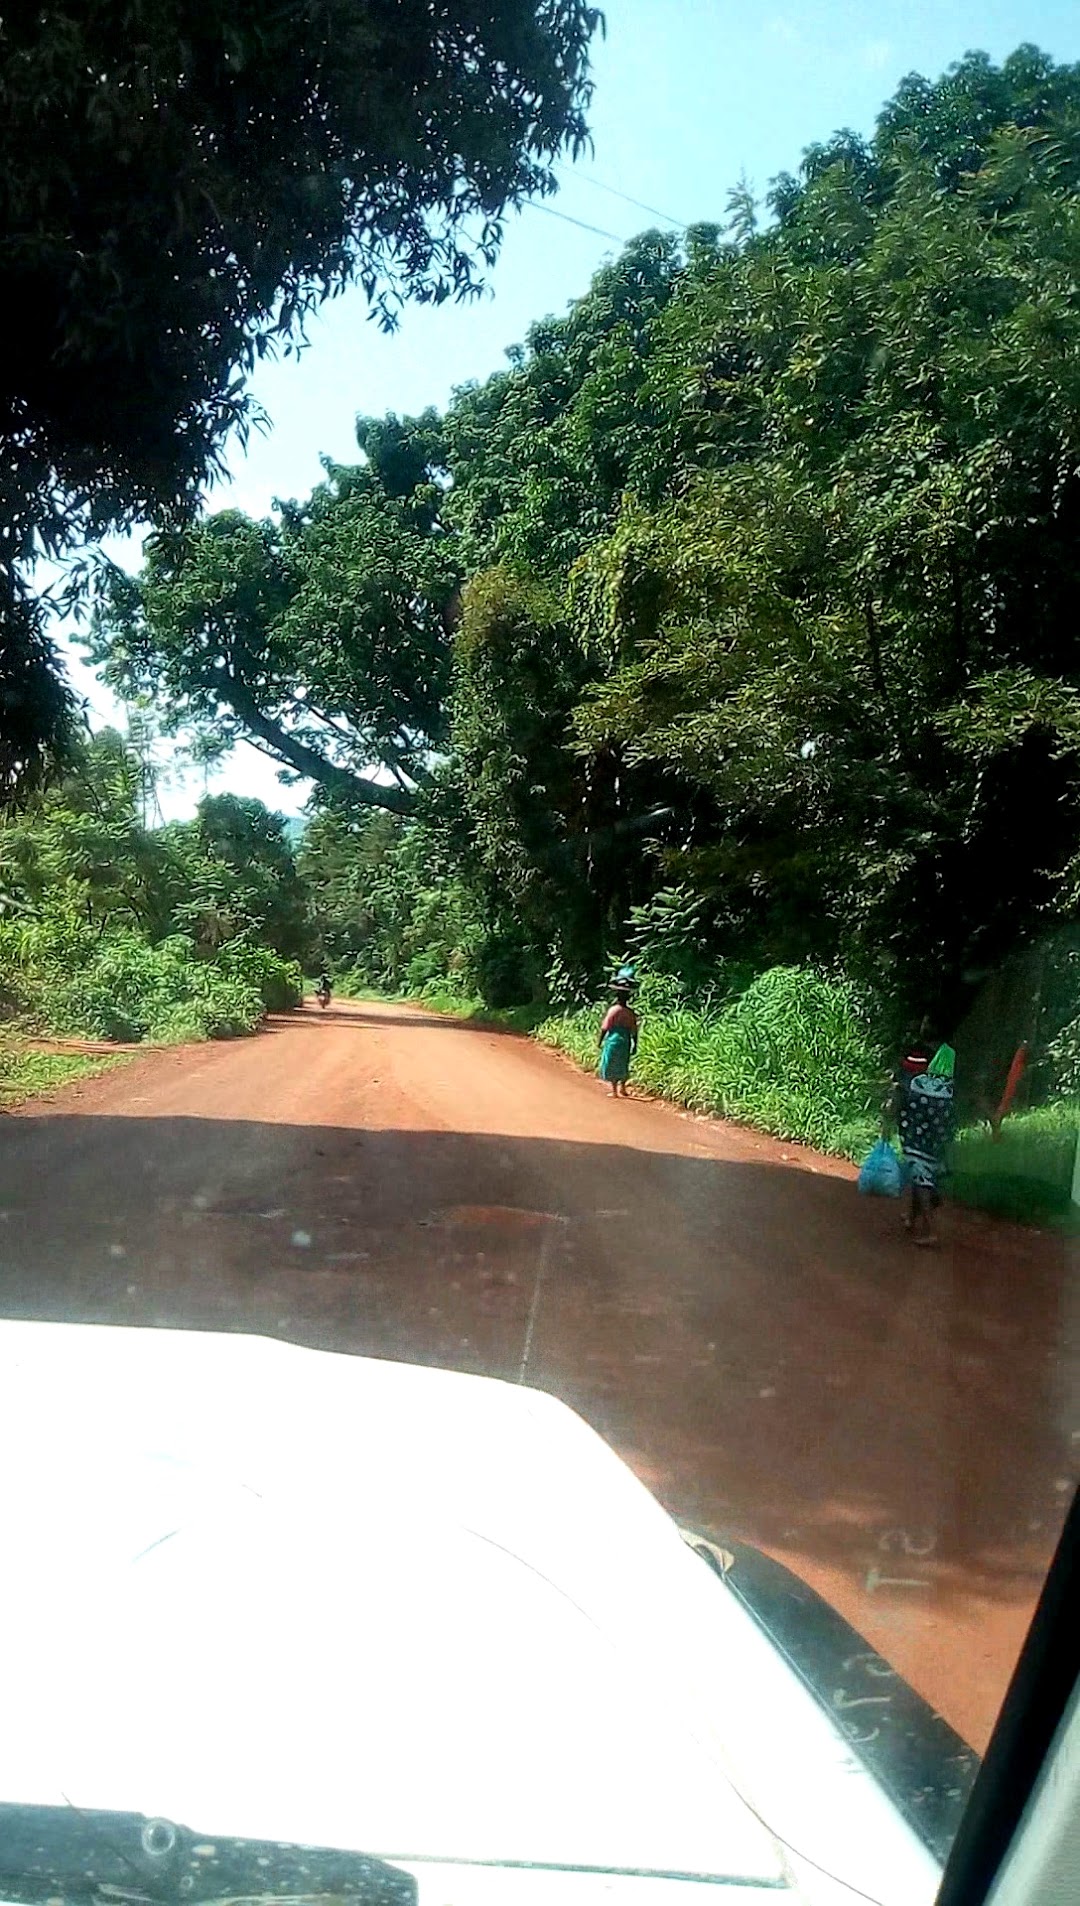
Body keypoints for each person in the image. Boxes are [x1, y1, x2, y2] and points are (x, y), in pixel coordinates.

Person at [887, 1035, 957, 1247]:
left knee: (921, 1181)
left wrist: (888, 1120)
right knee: (921, 1178)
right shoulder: (950, 1089)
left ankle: (931, 1229)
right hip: (938, 1144)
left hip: (915, 1140)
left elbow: (898, 1104)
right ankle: (911, 1217)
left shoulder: (916, 1083)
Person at [598, 983, 639, 1098]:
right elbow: (634, 1030)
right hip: (625, 1041)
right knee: (623, 1063)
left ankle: (614, 1091)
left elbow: (605, 1027)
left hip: (613, 1040)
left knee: (612, 1063)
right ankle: (623, 1088)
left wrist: (600, 1041)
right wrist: (635, 1044)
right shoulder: (630, 1013)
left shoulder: (613, 1010)